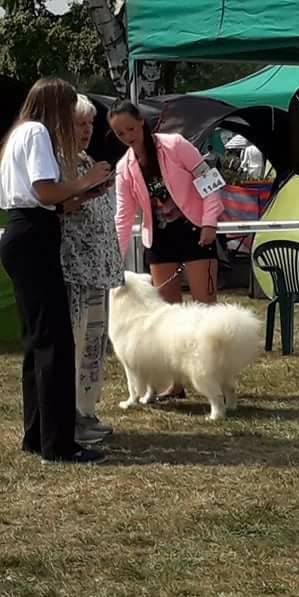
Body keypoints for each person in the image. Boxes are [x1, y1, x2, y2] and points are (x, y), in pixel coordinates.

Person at [0, 77, 113, 464]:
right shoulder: (37, 133)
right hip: (34, 237)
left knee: (37, 342)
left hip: (27, 230)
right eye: (68, 110)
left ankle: (37, 435)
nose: (70, 119)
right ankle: (59, 445)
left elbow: (42, 199)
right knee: (55, 344)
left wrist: (79, 195)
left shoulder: (19, 131)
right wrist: (87, 179)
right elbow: (45, 190)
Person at [109, 99, 224, 400]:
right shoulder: (125, 168)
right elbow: (123, 217)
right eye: (120, 134)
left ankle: (217, 381)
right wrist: (113, 258)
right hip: (159, 242)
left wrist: (210, 222)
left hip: (195, 233)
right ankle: (175, 384)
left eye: (131, 129)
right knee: (166, 318)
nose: (128, 136)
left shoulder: (175, 145)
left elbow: (209, 181)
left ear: (141, 124)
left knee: (205, 309)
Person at [61, 94, 124, 441]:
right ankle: (69, 415)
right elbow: (60, 206)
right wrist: (89, 186)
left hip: (99, 269)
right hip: (75, 269)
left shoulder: (87, 159)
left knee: (95, 346)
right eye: (79, 124)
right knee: (76, 340)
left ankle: (87, 410)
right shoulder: (59, 163)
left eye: (90, 124)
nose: (86, 131)